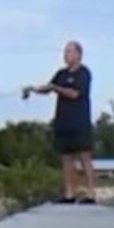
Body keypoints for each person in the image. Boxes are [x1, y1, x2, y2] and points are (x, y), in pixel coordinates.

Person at [22, 41, 96, 204]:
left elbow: (74, 94)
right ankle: (69, 194)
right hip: (63, 122)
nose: (65, 55)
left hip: (80, 122)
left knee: (85, 157)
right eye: (65, 52)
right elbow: (49, 88)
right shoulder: (61, 74)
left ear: (78, 54)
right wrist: (33, 89)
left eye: (69, 52)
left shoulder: (84, 73)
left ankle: (91, 194)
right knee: (66, 158)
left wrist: (57, 88)